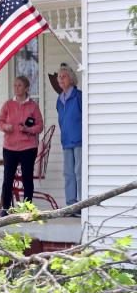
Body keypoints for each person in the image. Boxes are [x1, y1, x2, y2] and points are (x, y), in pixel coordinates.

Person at [0, 75, 44, 215]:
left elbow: (40, 126)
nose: (16, 88)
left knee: (27, 178)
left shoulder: (33, 106)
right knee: (8, 178)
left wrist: (28, 129)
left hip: (28, 148)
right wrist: (6, 126)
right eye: (15, 85)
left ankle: (27, 209)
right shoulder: (8, 105)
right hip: (9, 147)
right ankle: (5, 208)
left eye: (19, 85)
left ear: (26, 88)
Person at [56, 64, 82, 215]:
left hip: (78, 141)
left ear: (71, 79)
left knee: (79, 173)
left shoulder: (78, 96)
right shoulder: (59, 100)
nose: (61, 79)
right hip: (66, 142)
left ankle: (80, 204)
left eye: (64, 76)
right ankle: (71, 205)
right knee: (68, 173)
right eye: (59, 77)